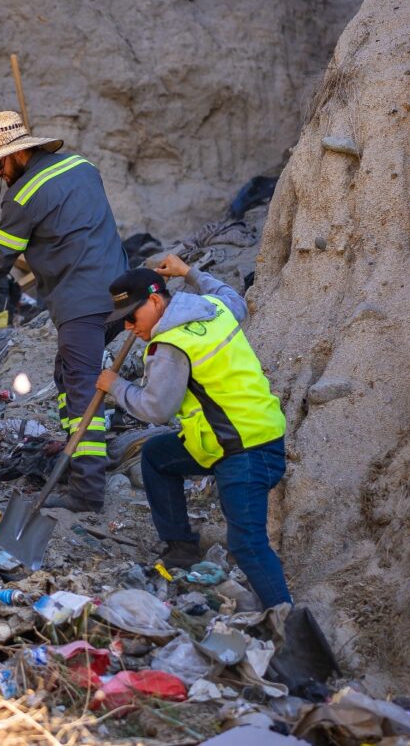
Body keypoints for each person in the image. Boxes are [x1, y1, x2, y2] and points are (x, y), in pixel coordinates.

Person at [0, 111, 127, 512]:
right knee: (66, 373)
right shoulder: (83, 166)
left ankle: (86, 491)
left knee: (81, 387)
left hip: (81, 300)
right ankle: (74, 454)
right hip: (119, 289)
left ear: (15, 155)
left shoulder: (23, 197)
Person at [97, 255, 292, 608]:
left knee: (247, 544)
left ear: (155, 302)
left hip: (244, 451)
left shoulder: (169, 346)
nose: (128, 327)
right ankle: (181, 548)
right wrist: (188, 272)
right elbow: (233, 298)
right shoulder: (212, 308)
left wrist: (116, 386)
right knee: (157, 456)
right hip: (255, 434)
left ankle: (286, 619)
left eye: (131, 317)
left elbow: (156, 409)